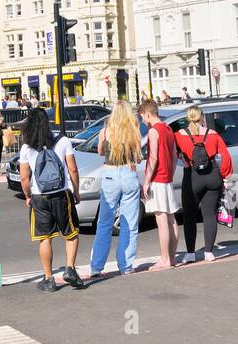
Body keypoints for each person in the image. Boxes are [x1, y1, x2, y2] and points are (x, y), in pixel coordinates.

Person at [18, 107, 86, 292]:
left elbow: (24, 178)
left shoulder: (26, 147)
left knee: (44, 238)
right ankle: (70, 269)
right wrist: (76, 191)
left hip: (39, 196)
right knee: (71, 233)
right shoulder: (63, 140)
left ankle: (49, 279)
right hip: (61, 194)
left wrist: (28, 195)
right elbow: (73, 169)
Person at [90, 100, 142, 277]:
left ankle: (96, 266)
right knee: (130, 222)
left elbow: (99, 152)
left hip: (110, 174)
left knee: (104, 222)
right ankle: (125, 265)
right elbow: (139, 158)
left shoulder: (105, 131)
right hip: (129, 173)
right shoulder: (133, 131)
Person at [176, 106, 231, 263]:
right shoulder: (213, 135)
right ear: (202, 118)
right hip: (212, 174)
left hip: (192, 176)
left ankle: (191, 253)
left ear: (188, 118)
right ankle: (209, 252)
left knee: (189, 216)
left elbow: (174, 154)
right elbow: (226, 156)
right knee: (209, 215)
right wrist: (225, 175)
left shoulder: (179, 135)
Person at [138, 100, 180, 271]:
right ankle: (171, 256)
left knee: (161, 219)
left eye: (142, 117)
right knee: (171, 219)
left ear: (148, 113)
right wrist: (170, 172)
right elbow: (175, 155)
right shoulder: (169, 129)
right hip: (167, 178)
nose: (143, 121)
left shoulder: (154, 132)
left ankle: (164, 259)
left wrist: (146, 181)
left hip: (158, 178)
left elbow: (153, 158)